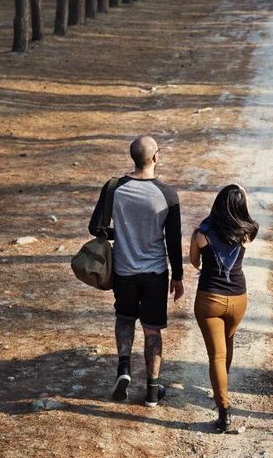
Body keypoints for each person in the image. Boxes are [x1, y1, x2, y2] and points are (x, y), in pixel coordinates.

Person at [89, 136, 184, 407]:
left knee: (125, 318)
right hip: (154, 274)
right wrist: (177, 276)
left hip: (124, 271)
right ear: (155, 157)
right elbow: (173, 240)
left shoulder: (114, 188)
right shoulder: (167, 195)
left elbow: (95, 228)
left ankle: (123, 370)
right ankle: (153, 393)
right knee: (152, 331)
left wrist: (122, 233)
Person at [190, 184, 259, 432]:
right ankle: (222, 391)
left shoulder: (201, 233)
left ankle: (224, 410)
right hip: (238, 298)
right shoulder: (247, 232)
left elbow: (194, 262)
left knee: (215, 355)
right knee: (227, 344)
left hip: (210, 298)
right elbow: (246, 223)